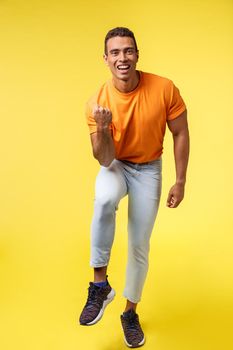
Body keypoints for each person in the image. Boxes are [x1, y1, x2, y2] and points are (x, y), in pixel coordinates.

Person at [79, 27, 189, 348]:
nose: (122, 58)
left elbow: (180, 132)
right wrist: (101, 129)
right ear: (106, 59)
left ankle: (130, 313)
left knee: (139, 242)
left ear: (137, 54)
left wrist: (180, 180)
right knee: (103, 199)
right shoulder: (96, 103)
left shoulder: (164, 88)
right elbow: (103, 159)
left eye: (128, 51)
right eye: (115, 52)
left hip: (149, 167)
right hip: (116, 163)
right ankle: (100, 286)